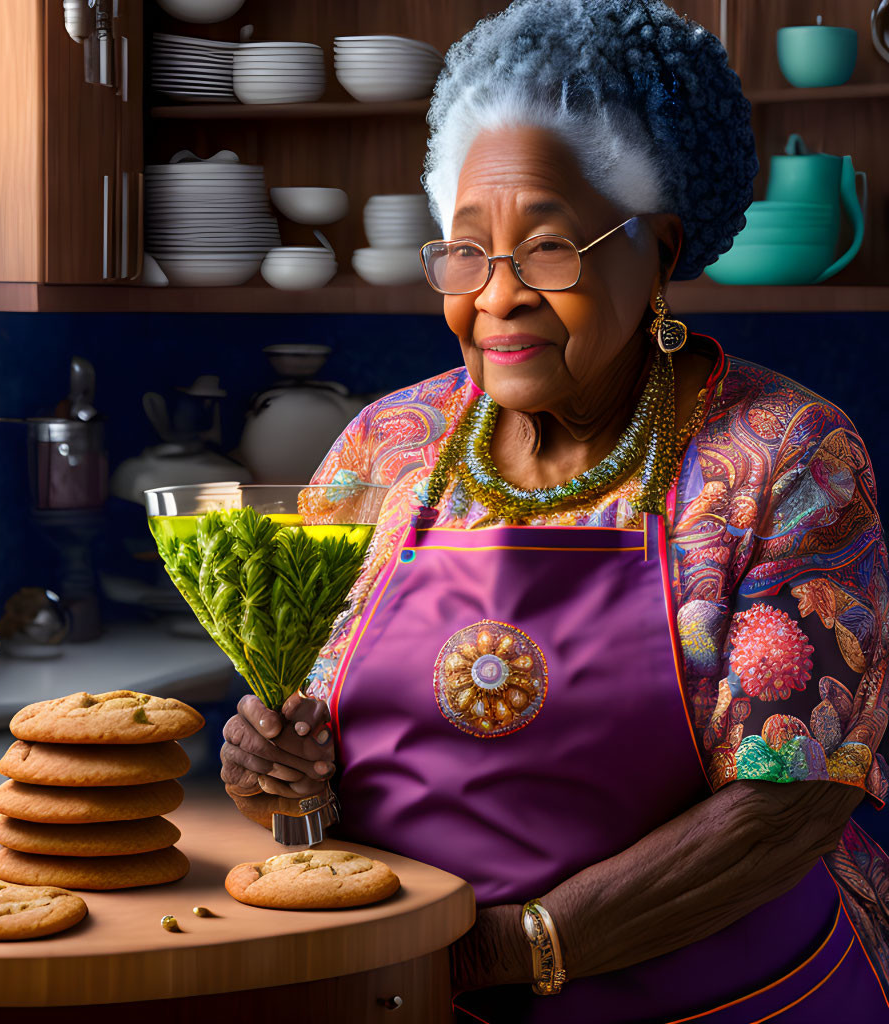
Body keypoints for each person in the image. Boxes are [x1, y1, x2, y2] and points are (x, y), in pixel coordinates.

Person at [220, 1, 889, 1019]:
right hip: (407, 992)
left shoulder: (785, 459)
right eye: (465, 252)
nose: (497, 296)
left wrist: (503, 949)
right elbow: (309, 763)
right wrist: (277, 774)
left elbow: (786, 805)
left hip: (724, 1000)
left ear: (659, 252)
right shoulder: (383, 449)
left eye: (546, 249)